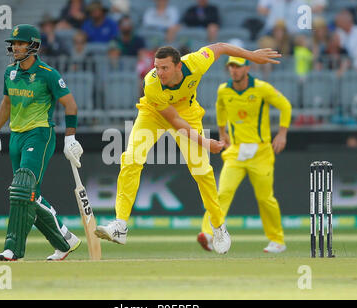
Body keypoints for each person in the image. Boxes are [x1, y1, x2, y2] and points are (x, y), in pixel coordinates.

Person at [94, 42, 282, 254]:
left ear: (178, 66)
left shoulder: (195, 63)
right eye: (156, 67)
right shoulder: (152, 84)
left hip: (188, 113)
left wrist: (251, 55)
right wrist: (206, 142)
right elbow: (174, 122)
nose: (159, 72)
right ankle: (120, 225)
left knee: (202, 171)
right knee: (131, 159)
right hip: (154, 113)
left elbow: (220, 47)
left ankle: (219, 226)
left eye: (164, 68)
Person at [0, 24, 84, 261]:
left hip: (39, 134)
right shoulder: (10, 73)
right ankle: (65, 240)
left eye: (21, 43)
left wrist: (70, 138)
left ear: (33, 46)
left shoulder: (48, 73)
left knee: (22, 189)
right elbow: (7, 104)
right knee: (28, 195)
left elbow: (71, 105)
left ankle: (13, 248)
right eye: (14, 43)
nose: (16, 47)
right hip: (16, 136)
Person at [197, 56, 292, 254]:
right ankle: (208, 233)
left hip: (261, 152)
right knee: (222, 193)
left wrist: (282, 133)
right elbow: (220, 108)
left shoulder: (261, 88)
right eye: (231, 66)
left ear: (247, 67)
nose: (234, 70)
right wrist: (222, 132)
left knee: (265, 198)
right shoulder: (224, 89)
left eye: (238, 66)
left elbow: (285, 106)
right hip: (235, 152)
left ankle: (277, 240)